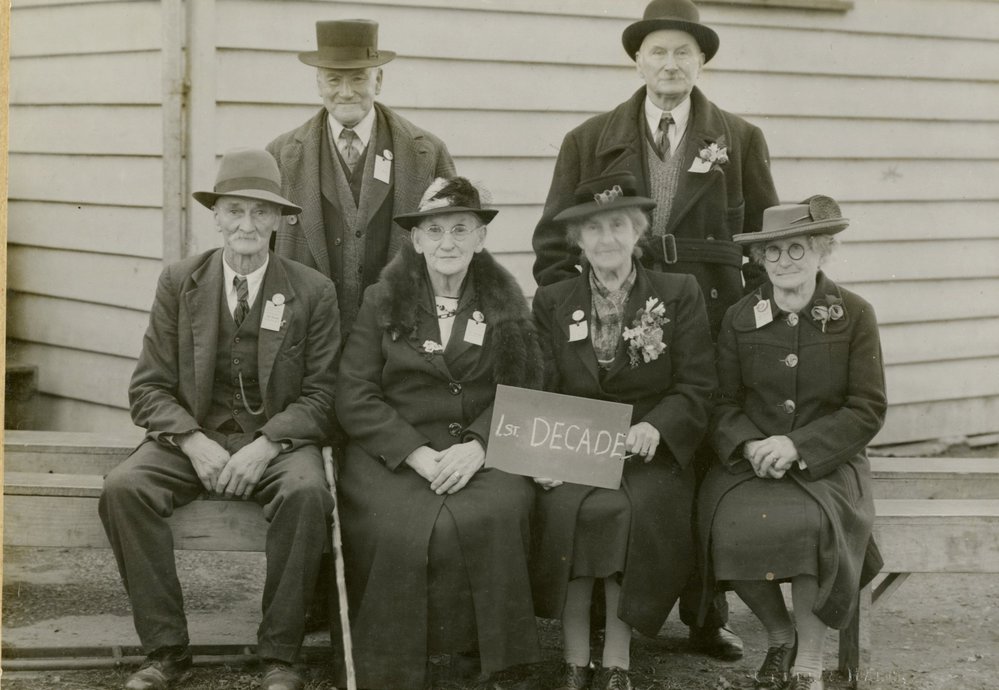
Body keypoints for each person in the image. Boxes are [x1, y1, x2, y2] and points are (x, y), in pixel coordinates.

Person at [531, 0, 781, 656]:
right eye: (657, 52)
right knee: (615, 474)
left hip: (710, 324)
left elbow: (762, 240)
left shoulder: (738, 137)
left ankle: (705, 613)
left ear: (700, 62)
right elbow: (552, 249)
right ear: (636, 59)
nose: (669, 64)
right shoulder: (589, 140)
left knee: (695, 461)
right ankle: (593, 612)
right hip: (614, 320)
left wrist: (740, 319)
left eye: (682, 53)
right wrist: (580, 309)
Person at [99, 149, 341, 690]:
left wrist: (267, 444)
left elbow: (324, 396)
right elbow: (148, 387)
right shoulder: (179, 282)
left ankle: (279, 655)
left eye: (260, 213)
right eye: (235, 211)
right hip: (194, 437)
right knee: (123, 488)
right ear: (217, 217)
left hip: (276, 442)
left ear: (279, 220)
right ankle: (165, 653)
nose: (247, 226)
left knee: (307, 495)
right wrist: (190, 440)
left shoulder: (312, 291)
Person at [334, 177, 544, 689]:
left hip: (480, 449)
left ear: (480, 238)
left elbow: (526, 387)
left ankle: (493, 665)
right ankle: (396, 668)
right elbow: (354, 394)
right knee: (398, 526)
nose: (447, 242)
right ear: (417, 240)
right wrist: (414, 453)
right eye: (435, 230)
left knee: (495, 513)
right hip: (394, 454)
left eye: (460, 229)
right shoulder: (382, 300)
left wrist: (479, 445)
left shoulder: (506, 301)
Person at [531, 172, 717, 690]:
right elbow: (541, 385)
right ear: (577, 241)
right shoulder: (552, 300)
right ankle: (573, 661)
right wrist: (542, 453)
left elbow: (698, 384)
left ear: (638, 233)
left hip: (648, 455)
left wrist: (658, 426)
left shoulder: (679, 293)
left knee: (624, 513)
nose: (606, 239)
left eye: (618, 225)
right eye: (593, 229)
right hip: (577, 451)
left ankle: (616, 662)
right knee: (568, 510)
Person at [698, 197, 887, 690]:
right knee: (724, 527)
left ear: (823, 251)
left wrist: (798, 446)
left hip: (828, 462)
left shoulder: (855, 314)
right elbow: (720, 402)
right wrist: (748, 445)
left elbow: (867, 408)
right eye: (773, 253)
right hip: (752, 462)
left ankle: (808, 663)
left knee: (814, 529)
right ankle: (781, 635)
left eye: (797, 249)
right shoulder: (741, 318)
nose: (785, 262)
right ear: (760, 260)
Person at [268, 18, 456, 339]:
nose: (345, 92)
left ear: (378, 80)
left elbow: (452, 252)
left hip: (396, 340)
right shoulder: (281, 155)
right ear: (318, 83)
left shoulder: (427, 153)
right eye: (333, 79)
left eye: (358, 78)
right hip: (308, 338)